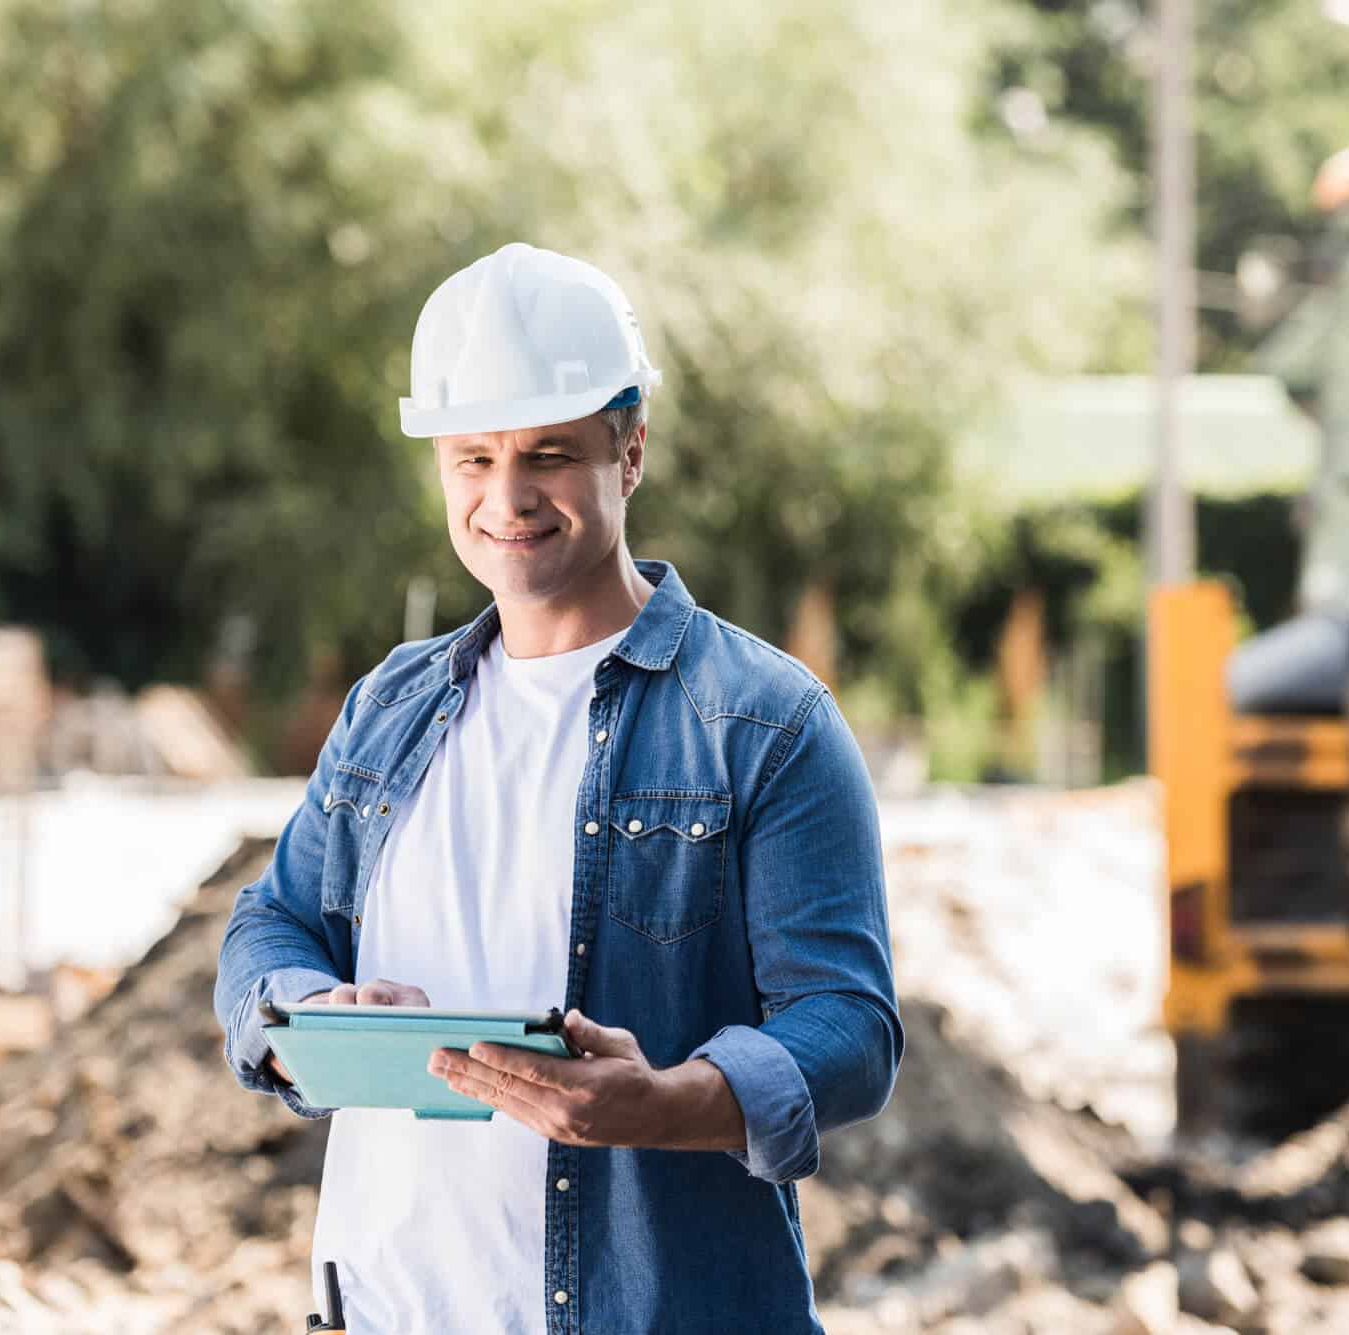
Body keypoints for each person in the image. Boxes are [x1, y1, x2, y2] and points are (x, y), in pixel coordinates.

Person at [213, 242, 903, 1334]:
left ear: (629, 451)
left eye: (547, 454)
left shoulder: (764, 723)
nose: (506, 496)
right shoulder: (389, 707)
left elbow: (849, 1027)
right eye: (472, 459)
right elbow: (274, 919)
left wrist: (671, 1106)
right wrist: (302, 1006)